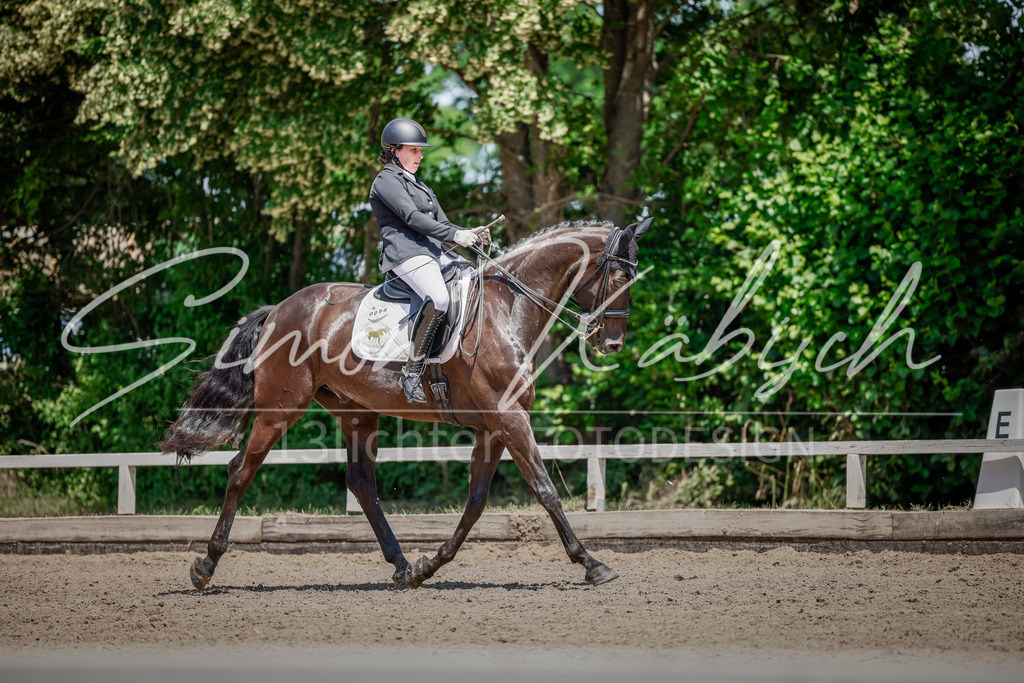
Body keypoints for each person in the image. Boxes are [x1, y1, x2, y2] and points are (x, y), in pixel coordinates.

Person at [369, 117, 480, 403]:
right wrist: (455, 234)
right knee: (439, 298)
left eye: (420, 150)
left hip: (432, 252)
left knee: (472, 279)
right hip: (405, 253)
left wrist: (470, 233)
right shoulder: (386, 180)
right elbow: (412, 218)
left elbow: (442, 224)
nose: (420, 155)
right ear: (394, 150)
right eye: (414, 150)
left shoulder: (419, 184)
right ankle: (412, 372)